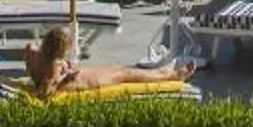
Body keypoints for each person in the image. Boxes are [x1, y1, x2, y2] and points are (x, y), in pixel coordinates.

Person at [25, 27, 184, 96]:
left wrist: (65, 65)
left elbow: (38, 73)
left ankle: (163, 72)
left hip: (76, 76)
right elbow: (44, 93)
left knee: (118, 68)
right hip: (79, 83)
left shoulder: (32, 51)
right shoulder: (53, 65)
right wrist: (65, 77)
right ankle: (170, 75)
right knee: (124, 73)